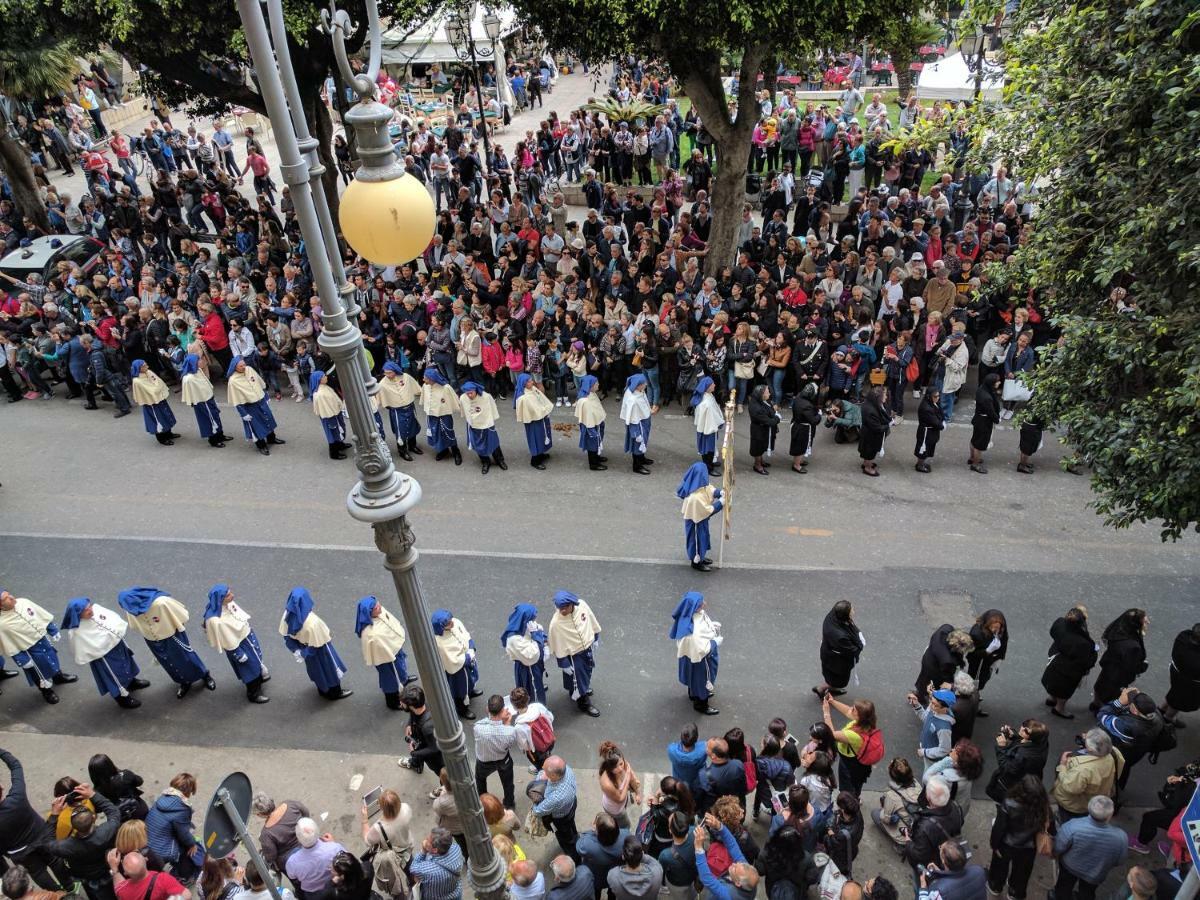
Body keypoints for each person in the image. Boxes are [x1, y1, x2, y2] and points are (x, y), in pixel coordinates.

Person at [1, 750, 75, 893]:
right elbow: (15, 765)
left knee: (38, 873)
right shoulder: (17, 797)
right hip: (43, 837)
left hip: (20, 853)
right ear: (2, 788)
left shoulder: (17, 798)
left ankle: (57, 895)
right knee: (55, 861)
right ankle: (71, 888)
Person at [60, 598, 150, 709]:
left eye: (90, 606)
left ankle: (132, 682)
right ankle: (122, 698)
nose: (91, 610)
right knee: (114, 675)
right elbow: (80, 647)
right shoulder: (76, 631)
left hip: (117, 646)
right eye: (86, 610)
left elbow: (113, 618)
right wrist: (98, 648)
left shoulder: (97, 610)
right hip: (104, 657)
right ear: (79, 614)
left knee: (127, 663)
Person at [0, 589, 77, 704]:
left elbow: (40, 615)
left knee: (52, 659)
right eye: (6, 598)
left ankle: (58, 676)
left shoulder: (24, 602)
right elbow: (9, 645)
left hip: (43, 640)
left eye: (9, 594)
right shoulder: (2, 624)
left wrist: (52, 629)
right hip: (30, 651)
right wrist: (22, 660)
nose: (11, 597)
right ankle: (46, 690)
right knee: (38, 672)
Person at [279, 587, 352, 701]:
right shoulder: (312, 622)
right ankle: (334, 692)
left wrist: (299, 651)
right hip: (320, 649)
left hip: (304, 648)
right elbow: (320, 640)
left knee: (316, 670)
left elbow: (286, 636)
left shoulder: (287, 616)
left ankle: (323, 689)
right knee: (330, 670)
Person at [986, 775, 1050, 900]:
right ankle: (1014, 893)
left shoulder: (1009, 803)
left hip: (1006, 845)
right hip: (1028, 847)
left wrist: (994, 845)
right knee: (1022, 873)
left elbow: (1000, 828)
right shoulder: (1043, 806)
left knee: (999, 868)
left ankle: (996, 886)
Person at [202, 584, 269, 704]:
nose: (232, 595)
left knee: (256, 661)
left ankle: (259, 678)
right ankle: (253, 693)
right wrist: (237, 653)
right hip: (239, 646)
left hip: (247, 638)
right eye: (228, 595)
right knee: (249, 670)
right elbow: (226, 639)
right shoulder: (216, 620)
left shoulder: (227, 604)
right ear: (220, 599)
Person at [1053, 796, 1128, 900]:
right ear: (1110, 815)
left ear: (1088, 808)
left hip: (1069, 867)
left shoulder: (1072, 826)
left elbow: (1058, 847)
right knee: (1087, 893)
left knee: (1063, 887)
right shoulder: (1121, 837)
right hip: (1095, 874)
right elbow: (1119, 861)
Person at [1098, 687, 1165, 791]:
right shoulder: (1157, 716)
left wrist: (1119, 702)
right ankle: (1119, 787)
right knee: (1124, 769)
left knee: (1112, 772)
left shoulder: (1126, 726)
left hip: (1120, 754)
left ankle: (1110, 791)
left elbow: (1102, 715)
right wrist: (1140, 698)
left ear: (1134, 709)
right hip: (1137, 752)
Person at [547, 590, 602, 717]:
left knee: (587, 671)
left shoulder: (582, 605)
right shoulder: (556, 623)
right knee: (578, 676)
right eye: (560, 608)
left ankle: (578, 689)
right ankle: (584, 703)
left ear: (572, 604)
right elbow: (557, 643)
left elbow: (591, 619)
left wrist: (596, 636)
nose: (562, 611)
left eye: (565, 607)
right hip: (573, 655)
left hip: (586, 649)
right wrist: (563, 663)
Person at [356, 595, 414, 711]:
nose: (380, 607)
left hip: (394, 651)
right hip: (385, 659)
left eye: (379, 604)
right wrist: (390, 653)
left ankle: (403, 680)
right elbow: (378, 649)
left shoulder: (380, 613)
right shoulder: (371, 633)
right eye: (377, 608)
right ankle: (392, 701)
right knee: (390, 678)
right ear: (369, 613)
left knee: (400, 668)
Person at [1052, 728, 1124, 821]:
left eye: (1086, 737)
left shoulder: (1083, 769)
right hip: (1094, 798)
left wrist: (1062, 766)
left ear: (1089, 748)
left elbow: (1070, 788)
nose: (1083, 735)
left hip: (1075, 806)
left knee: (1069, 820)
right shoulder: (1113, 753)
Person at [1042, 605, 1099, 719]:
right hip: (1069, 669)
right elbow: (1086, 661)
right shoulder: (1082, 643)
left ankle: (1052, 698)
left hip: (1055, 660)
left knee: (1053, 681)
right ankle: (1059, 709)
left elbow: (1053, 632)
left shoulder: (1060, 624)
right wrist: (1094, 652)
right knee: (1064, 689)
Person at [670, 591, 721, 715]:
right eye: (701, 603)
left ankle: (693, 694)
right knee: (701, 680)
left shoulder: (688, 616)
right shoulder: (691, 633)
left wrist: (711, 627)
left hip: (689, 657)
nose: (704, 604)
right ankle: (701, 705)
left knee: (692, 678)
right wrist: (715, 642)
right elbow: (701, 649)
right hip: (700, 660)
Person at [145, 773, 203, 883]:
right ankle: (184, 876)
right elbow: (183, 834)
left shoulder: (163, 798)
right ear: (189, 791)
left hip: (147, 842)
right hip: (162, 850)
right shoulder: (182, 808)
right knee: (189, 849)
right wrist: (192, 844)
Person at [1091, 608, 1149, 713]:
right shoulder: (1133, 646)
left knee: (1101, 685)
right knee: (1111, 694)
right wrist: (1143, 666)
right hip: (1118, 674)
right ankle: (1103, 711)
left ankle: (1096, 704)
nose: (1147, 622)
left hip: (1109, 665)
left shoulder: (1118, 631)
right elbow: (1131, 666)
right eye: (1144, 620)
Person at [822, 696, 882, 796]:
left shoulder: (854, 736)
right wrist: (832, 702)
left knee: (847, 788)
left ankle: (849, 804)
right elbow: (847, 711)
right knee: (857, 784)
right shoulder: (866, 723)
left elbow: (831, 734)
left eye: (854, 709)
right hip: (860, 764)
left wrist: (826, 713)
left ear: (859, 717)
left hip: (850, 764)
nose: (850, 709)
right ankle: (856, 797)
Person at [226, 356, 285, 455]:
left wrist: (265, 396)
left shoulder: (249, 369)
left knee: (268, 419)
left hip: (261, 401)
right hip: (249, 406)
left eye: (244, 364)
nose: (244, 367)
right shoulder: (233, 381)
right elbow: (236, 400)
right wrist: (243, 414)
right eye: (241, 366)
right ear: (235, 367)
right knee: (257, 427)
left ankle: (271, 438)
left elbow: (258, 382)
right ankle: (261, 445)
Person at [901, 777, 963, 872]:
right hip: (947, 852)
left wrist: (908, 842)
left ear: (928, 798)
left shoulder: (925, 826)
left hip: (932, 862)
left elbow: (919, 855)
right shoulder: (957, 807)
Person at [692, 812, 759, 900]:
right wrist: (719, 826)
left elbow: (707, 879)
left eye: (735, 869)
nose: (733, 864)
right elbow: (732, 845)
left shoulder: (730, 895)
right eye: (737, 864)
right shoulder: (745, 873)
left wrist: (699, 848)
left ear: (738, 883)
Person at [473, 694, 521, 809]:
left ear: (488, 709)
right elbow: (508, 744)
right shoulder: (510, 731)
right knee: (508, 784)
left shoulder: (478, 728)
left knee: (480, 780)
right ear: (503, 710)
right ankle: (509, 804)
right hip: (503, 760)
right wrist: (507, 723)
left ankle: (483, 800)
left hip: (484, 761)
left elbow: (486, 722)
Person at [985, 719, 1050, 802]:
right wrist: (1013, 735)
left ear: (1032, 737)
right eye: (1024, 724)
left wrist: (1001, 747)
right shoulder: (1042, 742)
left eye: (1026, 731)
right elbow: (1026, 741)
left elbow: (1006, 768)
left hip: (1011, 787)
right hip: (1027, 782)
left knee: (1005, 806)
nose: (1022, 728)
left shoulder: (1023, 755)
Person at [432, 609, 481, 718]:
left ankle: (470, 691)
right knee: (459, 689)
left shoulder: (455, 622)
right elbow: (452, 660)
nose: (452, 623)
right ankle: (462, 709)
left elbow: (465, 634)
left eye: (450, 619)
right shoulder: (440, 642)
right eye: (448, 623)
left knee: (470, 679)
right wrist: (468, 657)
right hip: (458, 670)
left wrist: (471, 645)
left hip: (467, 661)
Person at [252, 793, 311, 883]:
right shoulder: (290, 804)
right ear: (271, 801)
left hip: (291, 861)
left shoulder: (266, 834)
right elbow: (306, 814)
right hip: (308, 842)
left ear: (260, 814)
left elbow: (271, 856)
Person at [677, 463, 724, 572]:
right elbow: (707, 511)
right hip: (696, 521)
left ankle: (701, 557)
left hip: (700, 518)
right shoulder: (695, 497)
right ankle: (696, 561)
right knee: (697, 540)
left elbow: (710, 490)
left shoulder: (701, 485)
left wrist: (719, 492)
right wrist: (720, 503)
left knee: (703, 537)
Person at [533, 757, 582, 863]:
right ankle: (575, 836)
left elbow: (537, 811)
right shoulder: (566, 769)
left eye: (545, 770)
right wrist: (544, 775)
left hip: (561, 818)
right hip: (571, 804)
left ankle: (574, 858)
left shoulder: (556, 797)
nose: (542, 769)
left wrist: (534, 798)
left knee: (565, 838)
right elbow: (543, 772)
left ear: (554, 776)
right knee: (571, 826)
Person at [814, 600, 864, 699]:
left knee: (832, 676)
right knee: (836, 678)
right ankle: (823, 689)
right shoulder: (840, 636)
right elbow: (852, 650)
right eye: (851, 610)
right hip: (836, 661)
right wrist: (861, 643)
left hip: (829, 654)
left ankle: (828, 688)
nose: (853, 611)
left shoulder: (833, 616)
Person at [179, 354, 231, 448]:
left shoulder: (198, 371)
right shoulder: (188, 378)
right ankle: (213, 440)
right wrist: (195, 402)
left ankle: (220, 435)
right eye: (199, 360)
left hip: (209, 398)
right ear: (193, 363)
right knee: (209, 420)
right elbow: (188, 393)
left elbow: (206, 383)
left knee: (215, 416)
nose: (202, 361)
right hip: (202, 402)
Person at [502, 604, 549, 705]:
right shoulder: (514, 639)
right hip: (528, 669)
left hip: (534, 666)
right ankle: (537, 713)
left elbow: (541, 631)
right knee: (531, 692)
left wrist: (542, 638)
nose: (535, 620)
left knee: (537, 685)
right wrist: (536, 634)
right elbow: (532, 656)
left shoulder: (527, 624)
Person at [285, 818, 346, 897]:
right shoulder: (335, 848)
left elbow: (292, 876)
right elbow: (347, 860)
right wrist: (332, 843)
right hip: (334, 884)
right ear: (317, 831)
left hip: (313, 893)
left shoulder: (292, 862)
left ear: (298, 839)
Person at [914, 625, 972, 704]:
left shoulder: (945, 629)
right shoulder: (948, 660)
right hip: (934, 667)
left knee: (924, 677)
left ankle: (919, 693)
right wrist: (950, 684)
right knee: (934, 683)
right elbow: (946, 677)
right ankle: (926, 698)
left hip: (929, 655)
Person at [870, 758, 920, 849]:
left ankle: (901, 845)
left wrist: (883, 811)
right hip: (919, 825)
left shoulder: (891, 796)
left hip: (906, 833)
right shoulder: (916, 783)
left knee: (875, 813)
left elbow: (886, 820)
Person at [378, 361, 423, 461]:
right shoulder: (382, 384)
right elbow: (380, 399)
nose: (387, 375)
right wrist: (392, 405)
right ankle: (402, 451)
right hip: (397, 411)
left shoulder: (406, 377)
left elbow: (417, 388)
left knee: (412, 427)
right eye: (385, 373)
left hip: (410, 407)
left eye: (389, 372)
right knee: (400, 431)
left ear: (395, 371)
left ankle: (412, 446)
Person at [577, 813, 628, 900]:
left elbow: (579, 845)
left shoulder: (588, 845)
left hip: (597, 877)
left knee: (596, 893)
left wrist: (591, 831)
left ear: (598, 833)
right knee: (613, 892)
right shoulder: (626, 836)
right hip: (616, 876)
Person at [460, 381, 507, 474]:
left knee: (493, 443)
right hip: (474, 426)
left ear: (475, 390)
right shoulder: (463, 398)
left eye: (471, 393)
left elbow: (493, 407)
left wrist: (491, 421)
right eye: (467, 393)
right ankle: (485, 462)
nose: (469, 395)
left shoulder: (486, 396)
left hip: (487, 424)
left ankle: (500, 460)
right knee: (479, 445)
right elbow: (464, 411)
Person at [129, 360, 181, 445]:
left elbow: (159, 381)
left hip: (159, 399)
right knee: (158, 419)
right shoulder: (137, 381)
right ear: (139, 368)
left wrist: (157, 385)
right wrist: (157, 385)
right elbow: (152, 390)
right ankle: (162, 438)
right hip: (151, 403)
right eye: (145, 366)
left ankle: (169, 433)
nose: (147, 367)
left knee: (166, 416)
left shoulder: (148, 372)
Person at [397, 684, 444, 777]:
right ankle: (416, 764)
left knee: (442, 775)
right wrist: (409, 724)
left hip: (434, 759)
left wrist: (414, 753)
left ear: (411, 706)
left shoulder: (427, 727)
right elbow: (412, 713)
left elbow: (434, 748)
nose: (400, 703)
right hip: (420, 741)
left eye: (403, 703)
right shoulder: (420, 704)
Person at [966, 609, 1007, 713]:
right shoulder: (977, 633)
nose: (995, 630)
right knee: (974, 682)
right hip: (978, 665)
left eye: (998, 627)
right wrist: (988, 651)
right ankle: (971, 704)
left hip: (988, 663)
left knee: (983, 680)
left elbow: (1004, 642)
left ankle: (974, 696)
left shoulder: (1001, 631)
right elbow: (971, 655)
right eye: (993, 627)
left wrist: (999, 658)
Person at [907, 688, 956, 772]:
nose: (931, 706)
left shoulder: (944, 728)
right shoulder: (934, 708)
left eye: (935, 705)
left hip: (933, 760)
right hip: (927, 751)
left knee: (928, 777)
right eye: (931, 702)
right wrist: (917, 705)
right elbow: (925, 717)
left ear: (945, 707)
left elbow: (944, 749)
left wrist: (925, 752)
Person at [918, 840, 986, 900]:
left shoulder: (939, 891)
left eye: (940, 848)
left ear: (943, 861)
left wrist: (923, 889)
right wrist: (941, 872)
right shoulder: (979, 871)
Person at [1161, 622, 1200, 727]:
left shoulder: (1183, 637)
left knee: (1174, 692)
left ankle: (1161, 709)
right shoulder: (1196, 661)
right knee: (1179, 701)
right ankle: (1167, 719)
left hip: (1176, 673)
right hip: (1189, 683)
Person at [88, 754, 147, 821]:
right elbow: (140, 781)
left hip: (119, 819)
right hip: (139, 809)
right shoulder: (125, 775)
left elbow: (98, 809)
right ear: (110, 764)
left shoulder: (97, 792)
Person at [108, 852, 189, 900]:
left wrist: (114, 869)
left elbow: (118, 886)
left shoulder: (123, 890)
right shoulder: (163, 879)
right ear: (145, 860)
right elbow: (187, 895)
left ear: (125, 873)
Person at [422, 368, 463, 464]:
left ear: (432, 379)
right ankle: (443, 450)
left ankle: (456, 451)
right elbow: (424, 399)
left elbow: (454, 399)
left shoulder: (446, 387)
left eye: (426, 378)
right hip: (431, 415)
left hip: (444, 415)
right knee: (436, 432)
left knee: (448, 432)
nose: (424, 380)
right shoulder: (425, 386)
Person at [515, 374, 554, 469]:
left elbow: (541, 400)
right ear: (524, 384)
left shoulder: (533, 389)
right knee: (535, 439)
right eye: (529, 381)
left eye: (531, 380)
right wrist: (543, 411)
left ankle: (541, 454)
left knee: (542, 436)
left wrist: (546, 409)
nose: (532, 382)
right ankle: (535, 460)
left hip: (541, 417)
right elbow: (532, 410)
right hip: (533, 421)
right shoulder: (523, 398)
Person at [310, 370, 349, 460]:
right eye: (324, 376)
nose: (326, 377)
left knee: (338, 430)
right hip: (329, 416)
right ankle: (334, 453)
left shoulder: (325, 387)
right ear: (319, 380)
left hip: (335, 414)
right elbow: (323, 409)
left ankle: (340, 444)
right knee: (332, 433)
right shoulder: (319, 394)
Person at [968, 373, 1001, 474]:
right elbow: (991, 412)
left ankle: (972, 458)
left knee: (974, 439)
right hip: (984, 422)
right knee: (980, 444)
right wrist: (997, 420)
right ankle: (976, 464)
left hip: (978, 419)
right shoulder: (987, 397)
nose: (999, 383)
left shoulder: (981, 389)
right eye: (997, 381)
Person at [620, 374, 654, 475]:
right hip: (638, 426)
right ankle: (637, 466)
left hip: (644, 422)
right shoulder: (633, 400)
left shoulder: (639, 391)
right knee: (637, 444)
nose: (646, 384)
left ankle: (642, 458)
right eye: (644, 383)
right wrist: (636, 433)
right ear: (638, 385)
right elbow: (633, 418)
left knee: (643, 442)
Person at [574, 375, 608, 471]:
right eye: (596, 383)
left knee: (596, 442)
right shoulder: (585, 401)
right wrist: (592, 430)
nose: (598, 384)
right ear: (591, 386)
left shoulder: (592, 394)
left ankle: (597, 457)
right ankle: (594, 464)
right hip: (590, 427)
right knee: (592, 444)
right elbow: (588, 418)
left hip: (596, 424)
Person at [691, 377, 724, 474]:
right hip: (707, 429)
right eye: (712, 384)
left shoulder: (708, 395)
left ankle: (710, 463)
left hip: (708, 427)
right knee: (708, 449)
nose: (714, 385)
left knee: (710, 447)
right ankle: (708, 468)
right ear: (707, 387)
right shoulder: (706, 403)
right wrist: (720, 423)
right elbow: (711, 416)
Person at [788, 383, 821, 474]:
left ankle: (799, 461)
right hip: (802, 428)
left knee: (798, 445)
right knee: (800, 447)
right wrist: (819, 415)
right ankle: (797, 465)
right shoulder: (806, 405)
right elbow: (814, 420)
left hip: (797, 424)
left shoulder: (799, 397)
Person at [857, 385, 889, 477]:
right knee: (869, 452)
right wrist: (887, 425)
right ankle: (867, 468)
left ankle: (866, 463)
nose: (886, 397)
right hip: (870, 436)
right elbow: (877, 427)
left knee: (868, 451)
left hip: (868, 434)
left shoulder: (871, 404)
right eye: (885, 395)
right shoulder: (871, 410)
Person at [747, 383, 778, 476]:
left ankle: (761, 461)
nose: (769, 394)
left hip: (763, 429)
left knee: (762, 445)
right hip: (758, 430)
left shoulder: (762, 401)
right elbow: (769, 421)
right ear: (761, 394)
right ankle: (757, 465)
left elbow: (770, 410)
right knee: (758, 448)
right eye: (767, 392)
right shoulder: (756, 408)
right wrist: (777, 418)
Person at [913, 388, 944, 473]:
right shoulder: (926, 408)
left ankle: (921, 463)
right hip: (926, 432)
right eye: (935, 396)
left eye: (938, 396)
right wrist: (941, 425)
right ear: (929, 396)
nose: (937, 398)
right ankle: (920, 465)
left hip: (930, 432)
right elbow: (934, 421)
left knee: (928, 447)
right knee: (923, 449)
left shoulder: (932, 403)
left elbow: (940, 413)